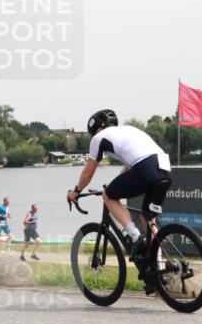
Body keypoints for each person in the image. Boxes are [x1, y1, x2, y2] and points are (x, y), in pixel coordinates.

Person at [66, 109, 172, 259]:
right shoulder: (130, 129)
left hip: (146, 168)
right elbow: (130, 165)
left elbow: (88, 173)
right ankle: (159, 267)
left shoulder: (99, 138)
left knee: (108, 196)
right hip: (165, 168)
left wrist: (76, 191)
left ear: (97, 129)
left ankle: (136, 238)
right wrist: (115, 184)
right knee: (148, 219)